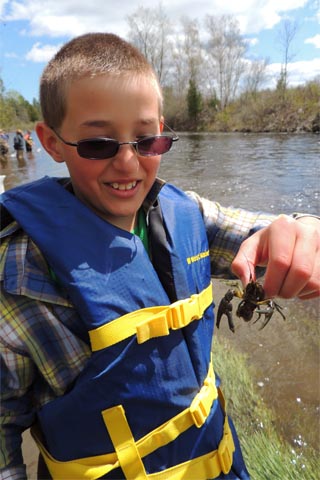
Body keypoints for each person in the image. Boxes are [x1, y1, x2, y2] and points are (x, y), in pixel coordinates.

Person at [0, 33, 319, 480]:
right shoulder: (20, 276)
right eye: (98, 145)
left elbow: (264, 234)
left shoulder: (189, 217)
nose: (129, 163)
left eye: (147, 140)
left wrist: (305, 228)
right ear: (51, 143)